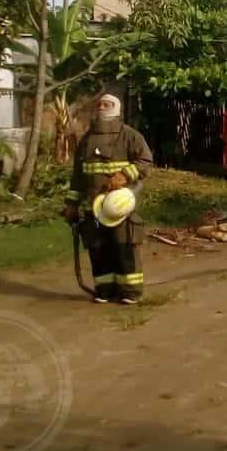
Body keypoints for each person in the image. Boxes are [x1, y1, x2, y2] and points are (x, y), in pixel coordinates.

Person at [61, 88, 153, 304]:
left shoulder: (130, 135)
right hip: (92, 207)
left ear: (117, 109)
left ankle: (130, 292)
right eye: (99, 105)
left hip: (119, 207)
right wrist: (71, 204)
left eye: (107, 105)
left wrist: (124, 175)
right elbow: (78, 177)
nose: (101, 108)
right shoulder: (86, 140)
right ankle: (105, 290)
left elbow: (145, 162)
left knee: (123, 247)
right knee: (98, 250)